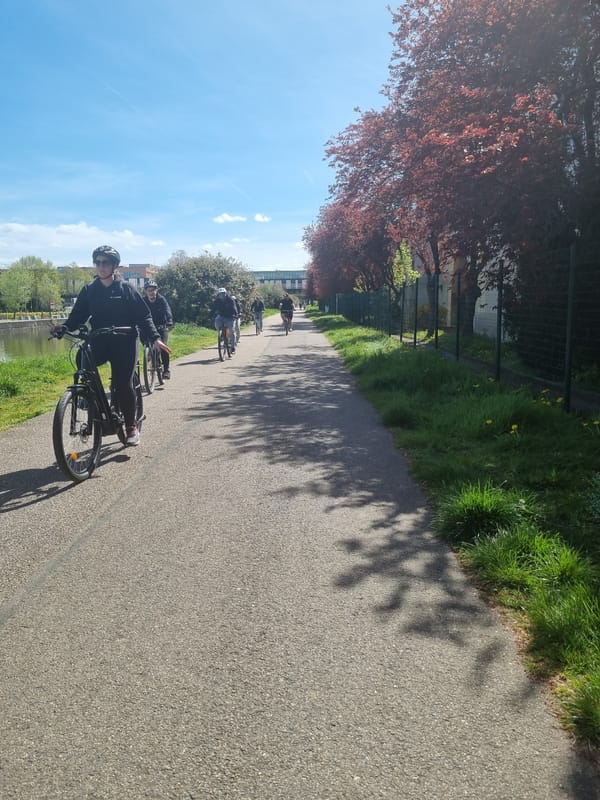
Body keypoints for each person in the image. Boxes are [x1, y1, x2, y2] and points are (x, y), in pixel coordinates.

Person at [52, 246, 171, 446]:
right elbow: (77, 315)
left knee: (122, 384)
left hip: (125, 341)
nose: (101, 266)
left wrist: (156, 338)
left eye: (105, 262)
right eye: (97, 262)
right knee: (82, 358)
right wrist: (64, 327)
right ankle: (90, 397)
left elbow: (143, 316)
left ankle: (131, 426)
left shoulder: (126, 289)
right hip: (100, 340)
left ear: (114, 265)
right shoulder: (90, 290)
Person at [144, 280, 174, 378]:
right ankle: (150, 354)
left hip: (162, 325)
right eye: (149, 290)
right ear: (146, 291)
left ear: (156, 290)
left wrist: (169, 321)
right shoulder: (143, 301)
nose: (151, 292)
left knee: (163, 346)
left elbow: (167, 310)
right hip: (148, 326)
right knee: (143, 338)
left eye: (153, 290)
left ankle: (166, 370)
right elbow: (137, 312)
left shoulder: (161, 300)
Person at [211, 287, 238, 354]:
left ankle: (232, 347)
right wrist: (209, 315)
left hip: (230, 317)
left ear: (225, 294)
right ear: (218, 295)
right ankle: (221, 333)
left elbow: (234, 308)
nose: (222, 295)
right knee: (217, 320)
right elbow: (213, 309)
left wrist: (236, 314)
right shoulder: (217, 301)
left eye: (223, 294)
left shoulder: (230, 300)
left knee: (231, 331)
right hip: (222, 316)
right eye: (220, 294)